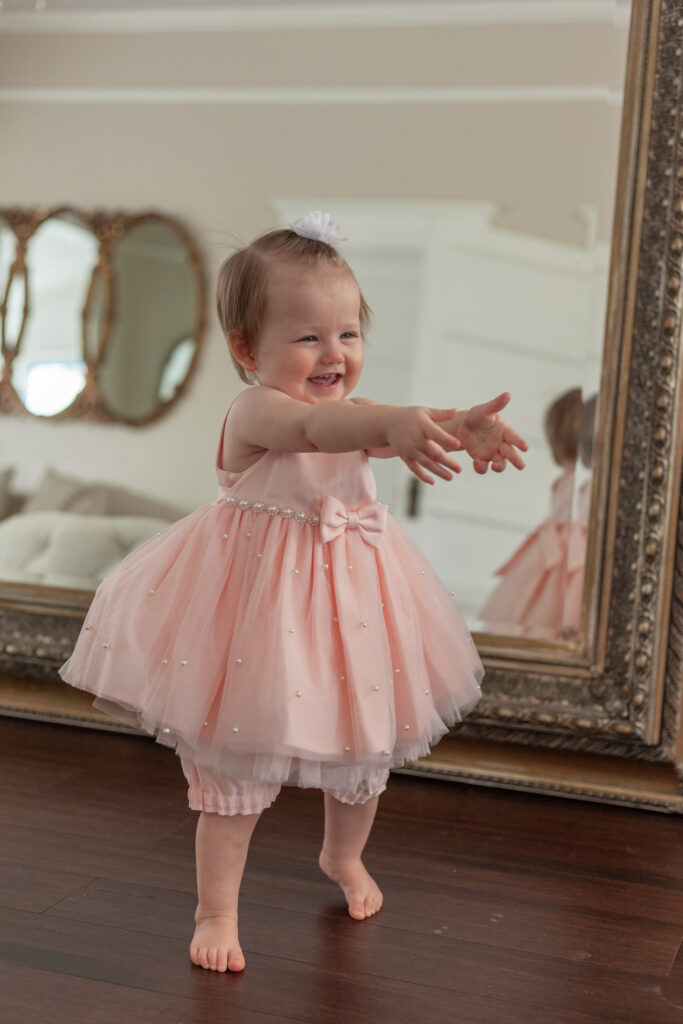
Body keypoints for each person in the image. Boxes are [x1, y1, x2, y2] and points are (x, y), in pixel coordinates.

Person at [59, 211, 527, 974]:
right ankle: (216, 910)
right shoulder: (258, 413)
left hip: (350, 611)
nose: (333, 352)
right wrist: (397, 422)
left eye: (348, 333)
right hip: (255, 619)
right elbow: (320, 434)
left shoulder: (345, 416)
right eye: (308, 336)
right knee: (233, 769)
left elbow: (364, 429)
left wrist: (452, 425)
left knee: (365, 745)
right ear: (247, 349)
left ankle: (342, 856)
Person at [479, 387, 594, 639]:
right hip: (571, 560)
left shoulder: (566, 481)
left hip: (555, 560)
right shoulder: (588, 484)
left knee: (540, 610)